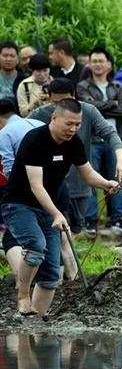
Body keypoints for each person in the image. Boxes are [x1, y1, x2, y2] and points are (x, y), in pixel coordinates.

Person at [2, 98, 119, 316]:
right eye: (69, 124)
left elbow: (88, 174)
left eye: (77, 124)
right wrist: (57, 213)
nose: (73, 129)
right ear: (54, 118)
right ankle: (23, 296)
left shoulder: (73, 143)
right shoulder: (35, 140)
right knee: (36, 245)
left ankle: (34, 322)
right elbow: (36, 186)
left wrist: (106, 183)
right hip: (19, 203)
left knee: (51, 274)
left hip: (48, 207)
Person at [26, 78, 122, 236]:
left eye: (66, 100)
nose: (62, 106)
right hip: (50, 185)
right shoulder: (39, 114)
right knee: (55, 229)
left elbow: (110, 133)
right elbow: (23, 137)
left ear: (74, 95)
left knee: (75, 229)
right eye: (56, 102)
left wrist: (120, 158)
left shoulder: (88, 111)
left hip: (79, 181)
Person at [76, 47, 122, 234]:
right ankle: (91, 220)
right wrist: (112, 104)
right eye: (94, 61)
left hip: (115, 139)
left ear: (109, 64)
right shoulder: (83, 86)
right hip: (92, 139)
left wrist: (101, 106)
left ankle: (118, 219)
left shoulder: (117, 86)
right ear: (89, 64)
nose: (98, 64)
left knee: (117, 178)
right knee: (91, 178)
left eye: (102, 61)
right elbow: (88, 108)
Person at [0, 99, 45, 279]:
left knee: (12, 238)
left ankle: (23, 279)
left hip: (26, 192)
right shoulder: (40, 124)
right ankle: (64, 278)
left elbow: (10, 172)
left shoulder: (5, 133)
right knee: (53, 234)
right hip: (52, 188)